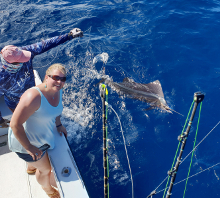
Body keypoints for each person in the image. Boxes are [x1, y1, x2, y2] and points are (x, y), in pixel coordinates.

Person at [0, 28, 83, 128]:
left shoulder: (23, 52)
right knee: (24, 123)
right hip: (16, 103)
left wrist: (68, 35)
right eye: (20, 60)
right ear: (10, 64)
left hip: (33, 95)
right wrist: (0, 121)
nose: (25, 58)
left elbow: (45, 44)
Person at [8, 63, 67, 198]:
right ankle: (48, 190)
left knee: (38, 164)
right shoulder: (33, 97)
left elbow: (56, 110)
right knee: (46, 170)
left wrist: (58, 125)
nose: (59, 82)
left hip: (42, 138)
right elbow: (14, 125)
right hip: (26, 144)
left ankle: (31, 168)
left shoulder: (58, 90)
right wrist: (28, 146)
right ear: (46, 77)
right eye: (56, 77)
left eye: (63, 79)